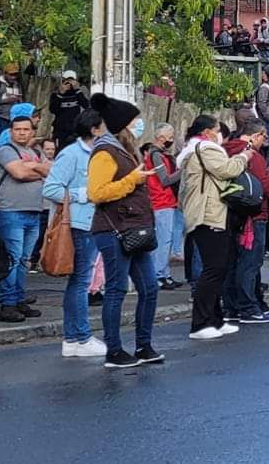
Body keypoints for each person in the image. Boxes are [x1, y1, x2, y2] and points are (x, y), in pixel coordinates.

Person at [85, 93, 162, 369]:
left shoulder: (124, 150)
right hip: (114, 229)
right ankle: (114, 350)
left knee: (149, 288)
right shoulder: (105, 152)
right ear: (123, 124)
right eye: (134, 121)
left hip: (134, 228)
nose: (139, 125)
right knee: (116, 289)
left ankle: (144, 345)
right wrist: (132, 180)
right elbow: (97, 192)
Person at [41, 110, 107, 357]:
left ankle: (72, 339)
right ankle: (81, 336)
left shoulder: (99, 155)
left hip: (93, 223)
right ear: (94, 129)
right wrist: (82, 194)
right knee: (81, 282)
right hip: (79, 224)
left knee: (78, 282)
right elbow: (51, 188)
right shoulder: (72, 154)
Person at [178, 115, 249, 340]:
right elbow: (226, 170)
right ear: (208, 131)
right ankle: (200, 323)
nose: (219, 134)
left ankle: (215, 320)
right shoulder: (205, 149)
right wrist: (243, 157)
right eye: (217, 129)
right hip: (208, 215)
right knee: (213, 269)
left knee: (218, 268)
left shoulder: (194, 151)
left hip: (211, 213)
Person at [222, 120, 269, 324]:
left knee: (233, 263)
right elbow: (263, 187)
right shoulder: (252, 156)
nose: (264, 142)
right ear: (256, 135)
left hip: (232, 214)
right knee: (250, 264)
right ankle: (247, 306)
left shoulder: (225, 151)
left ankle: (231, 307)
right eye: (264, 138)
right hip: (254, 216)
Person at [0, 115, 51, 322]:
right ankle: (7, 304)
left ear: (32, 131)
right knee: (12, 259)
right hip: (11, 211)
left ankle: (18, 299)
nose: (22, 133)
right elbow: (18, 173)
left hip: (34, 211)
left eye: (26, 129)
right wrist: (36, 169)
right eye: (18, 129)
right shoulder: (6, 150)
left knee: (24, 260)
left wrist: (31, 167)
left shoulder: (35, 151)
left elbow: (50, 171)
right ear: (11, 131)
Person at [142, 124, 182, 290]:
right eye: (171, 136)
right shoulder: (156, 155)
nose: (172, 139)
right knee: (164, 241)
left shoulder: (158, 154)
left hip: (165, 201)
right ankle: (159, 275)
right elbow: (164, 180)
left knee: (165, 240)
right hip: (161, 201)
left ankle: (164, 274)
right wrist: (183, 171)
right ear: (161, 137)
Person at [48, 71, 87, 149]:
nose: (69, 83)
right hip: (60, 130)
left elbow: (86, 105)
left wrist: (77, 90)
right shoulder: (56, 94)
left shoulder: (79, 92)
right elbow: (53, 110)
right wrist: (61, 93)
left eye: (71, 80)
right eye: (66, 81)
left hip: (75, 129)